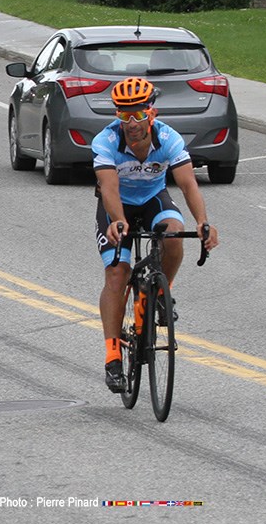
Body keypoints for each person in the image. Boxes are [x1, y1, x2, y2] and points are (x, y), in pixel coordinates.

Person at [93, 77, 218, 393]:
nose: (132, 123)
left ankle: (161, 292)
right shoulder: (106, 141)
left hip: (153, 199)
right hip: (117, 205)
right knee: (117, 273)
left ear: (152, 113)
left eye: (138, 114)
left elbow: (188, 184)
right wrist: (118, 221)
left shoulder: (168, 138)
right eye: (124, 115)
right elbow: (109, 187)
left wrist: (202, 221)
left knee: (174, 235)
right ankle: (112, 357)